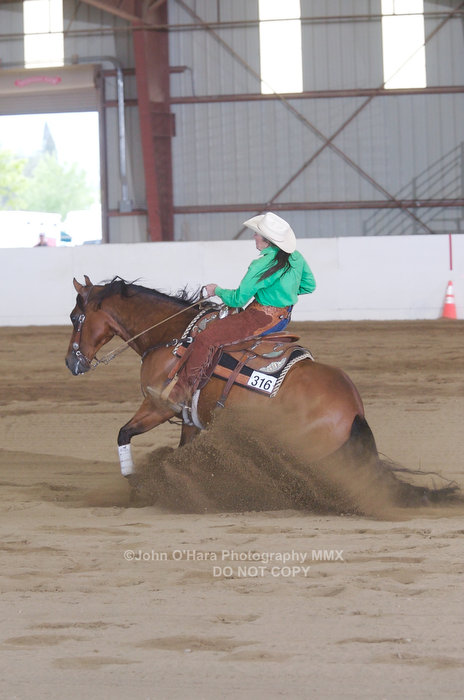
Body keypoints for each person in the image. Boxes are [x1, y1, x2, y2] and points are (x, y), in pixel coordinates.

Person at [162, 212, 316, 411]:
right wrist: (284, 292)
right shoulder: (296, 257)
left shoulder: (261, 265)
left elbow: (238, 299)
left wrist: (216, 290)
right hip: (282, 317)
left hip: (260, 317)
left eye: (257, 234)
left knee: (206, 338)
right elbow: (309, 286)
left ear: (267, 240)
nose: (254, 236)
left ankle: (181, 391)